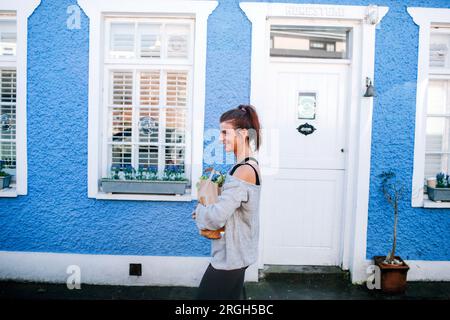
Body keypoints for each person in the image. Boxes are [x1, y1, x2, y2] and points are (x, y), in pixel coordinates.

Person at [192, 104, 262, 300]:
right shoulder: (245, 166)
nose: (221, 139)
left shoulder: (244, 170)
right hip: (236, 254)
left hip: (231, 258)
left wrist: (200, 211)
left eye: (225, 133)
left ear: (241, 134)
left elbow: (216, 217)